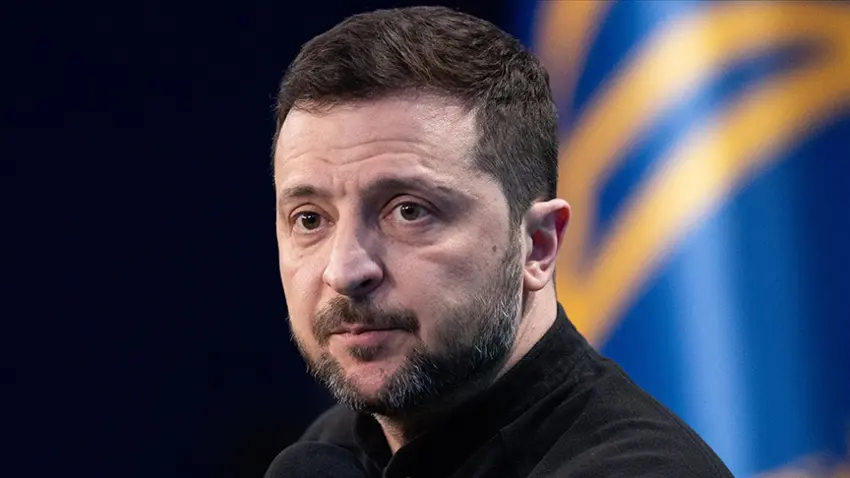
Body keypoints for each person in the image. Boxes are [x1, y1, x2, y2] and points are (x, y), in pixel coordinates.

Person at [268, 5, 733, 478]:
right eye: (309, 219)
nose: (345, 271)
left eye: (409, 211)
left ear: (538, 244)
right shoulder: (335, 446)